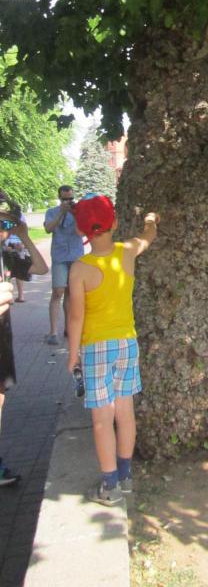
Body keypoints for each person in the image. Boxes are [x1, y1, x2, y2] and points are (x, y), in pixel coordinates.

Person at [68, 195, 159, 506]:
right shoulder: (128, 252)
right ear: (115, 222)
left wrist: (72, 354)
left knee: (101, 419)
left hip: (95, 349)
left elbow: (76, 316)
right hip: (126, 343)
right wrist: (150, 219)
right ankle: (125, 475)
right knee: (125, 414)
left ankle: (109, 485)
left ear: (82, 232)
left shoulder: (80, 269)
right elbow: (149, 236)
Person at [0, 205, 49, 488]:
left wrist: (25, 237)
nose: (5, 229)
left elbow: (41, 268)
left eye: (8, 223)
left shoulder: (7, 255)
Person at [44, 185, 84, 345]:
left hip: (76, 256)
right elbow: (48, 229)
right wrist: (61, 212)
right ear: (59, 198)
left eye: (70, 199)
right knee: (58, 291)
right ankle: (53, 331)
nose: (68, 201)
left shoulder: (78, 212)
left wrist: (76, 214)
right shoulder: (52, 212)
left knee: (70, 293)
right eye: (64, 199)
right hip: (59, 256)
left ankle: (68, 328)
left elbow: (82, 232)